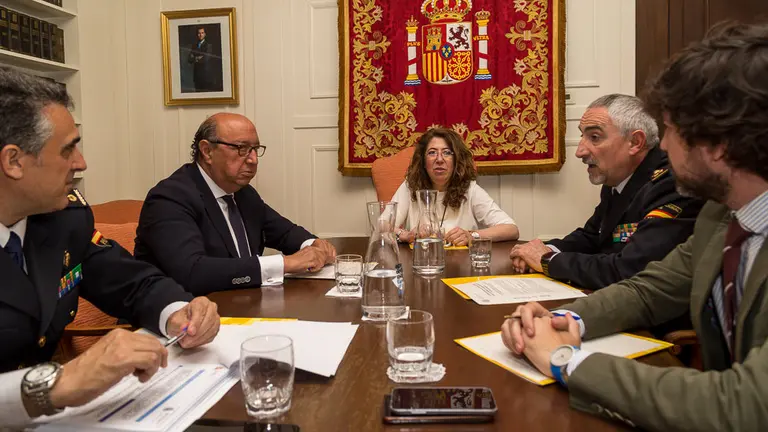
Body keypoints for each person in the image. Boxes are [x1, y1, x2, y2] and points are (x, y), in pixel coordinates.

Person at [501, 22, 768, 430]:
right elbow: (649, 290)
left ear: (718, 146)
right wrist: (564, 321)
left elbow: (739, 406)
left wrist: (568, 361)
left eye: (673, 131)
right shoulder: (723, 215)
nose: (662, 148)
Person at [0, 66, 221, 428]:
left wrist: (179, 311)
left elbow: (132, 281)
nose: (81, 163)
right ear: (13, 161)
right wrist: (56, 385)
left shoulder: (62, 219)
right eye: (68, 150)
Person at [509, 94, 703, 290]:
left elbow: (628, 269)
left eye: (594, 137)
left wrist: (547, 260)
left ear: (635, 142)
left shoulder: (673, 185)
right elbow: (592, 236)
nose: (580, 151)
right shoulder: (617, 178)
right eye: (583, 136)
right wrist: (544, 250)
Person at [134, 113, 337, 295]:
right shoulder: (170, 198)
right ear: (207, 151)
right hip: (176, 321)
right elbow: (193, 273)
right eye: (241, 148)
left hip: (238, 308)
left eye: (255, 149)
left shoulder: (243, 194)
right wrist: (285, 263)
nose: (253, 160)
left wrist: (314, 245)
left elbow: (284, 233)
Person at [391, 127, 519, 246]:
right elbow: (383, 224)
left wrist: (471, 236)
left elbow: (511, 229)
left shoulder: (470, 190)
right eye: (432, 153)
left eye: (447, 153)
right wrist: (405, 235)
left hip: (461, 266)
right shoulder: (410, 186)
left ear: (456, 161)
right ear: (423, 162)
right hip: (422, 263)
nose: (439, 159)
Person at [187, 26, 218, 92]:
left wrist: (194, 57)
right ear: (197, 34)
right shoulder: (194, 46)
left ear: (205, 34)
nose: (200, 35)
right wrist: (198, 57)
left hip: (206, 76)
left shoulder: (208, 46)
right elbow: (189, 59)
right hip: (196, 76)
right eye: (199, 33)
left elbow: (205, 59)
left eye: (202, 33)